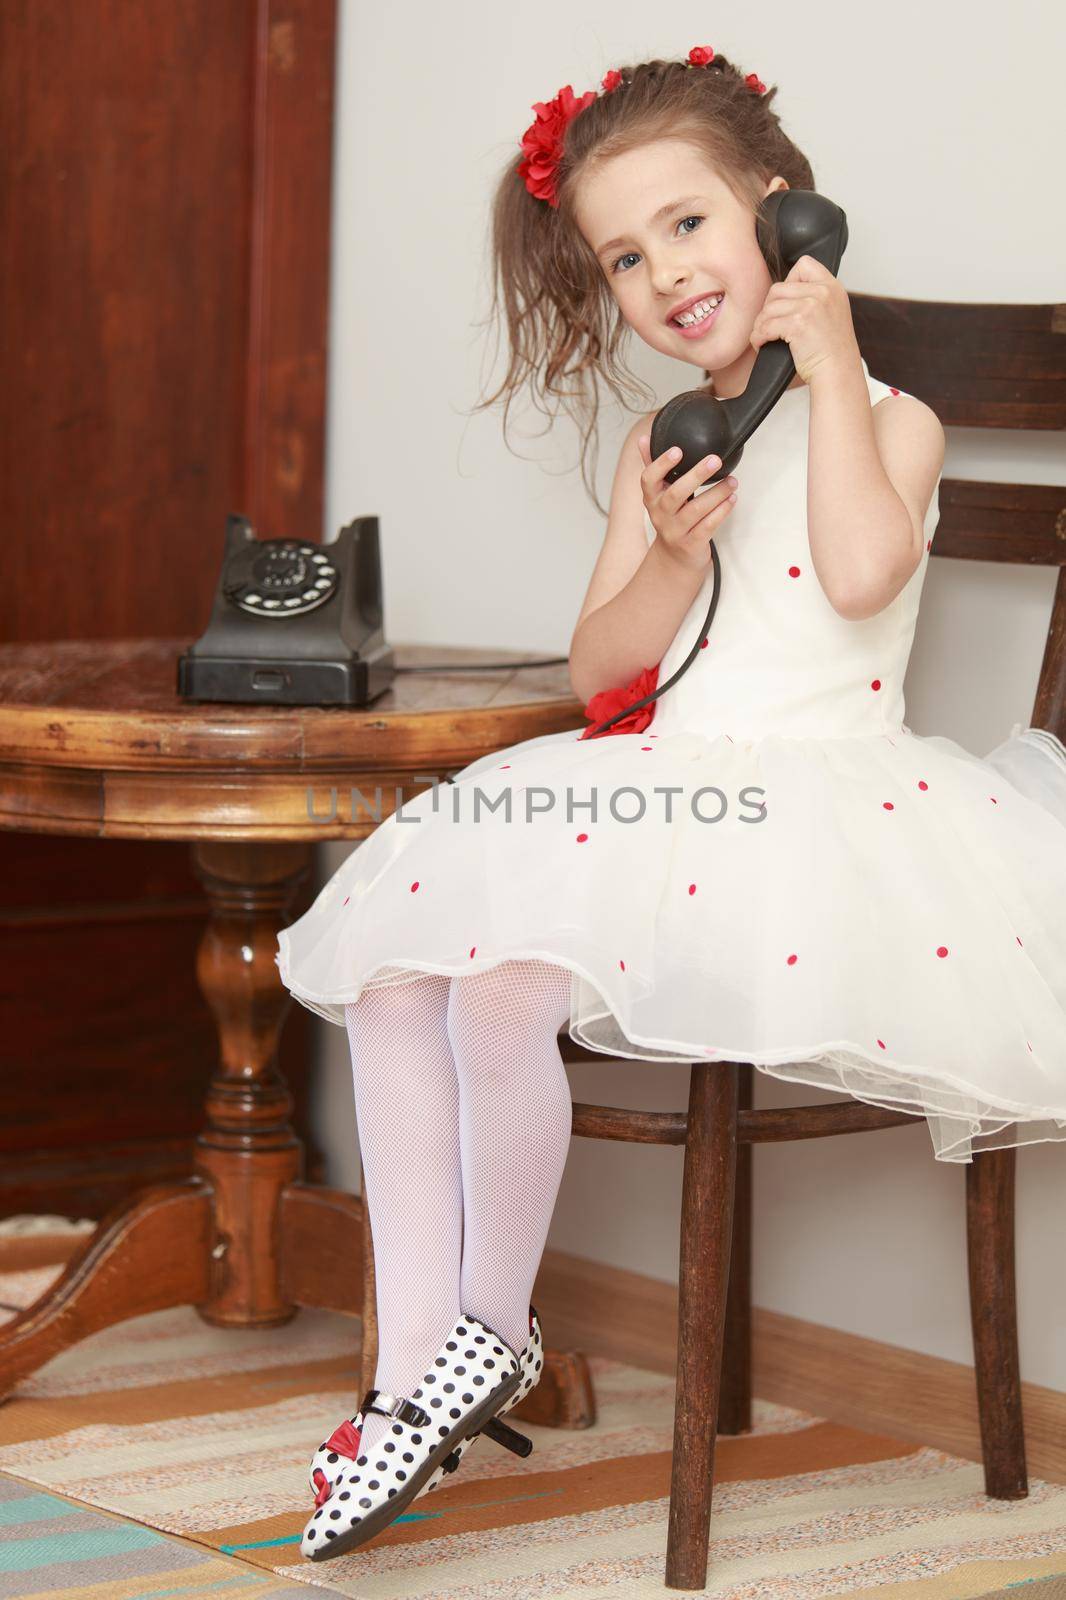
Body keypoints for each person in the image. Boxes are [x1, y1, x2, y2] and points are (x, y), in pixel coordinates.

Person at [277, 46, 1066, 1561]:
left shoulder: (888, 416)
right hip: (657, 789)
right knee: (394, 971)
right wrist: (668, 554)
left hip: (811, 804)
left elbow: (854, 574)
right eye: (624, 258)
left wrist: (823, 364)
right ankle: (417, 1371)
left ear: (784, 211)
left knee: (499, 992)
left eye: (686, 226)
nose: (661, 276)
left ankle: (475, 1334)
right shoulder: (664, 443)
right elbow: (600, 668)